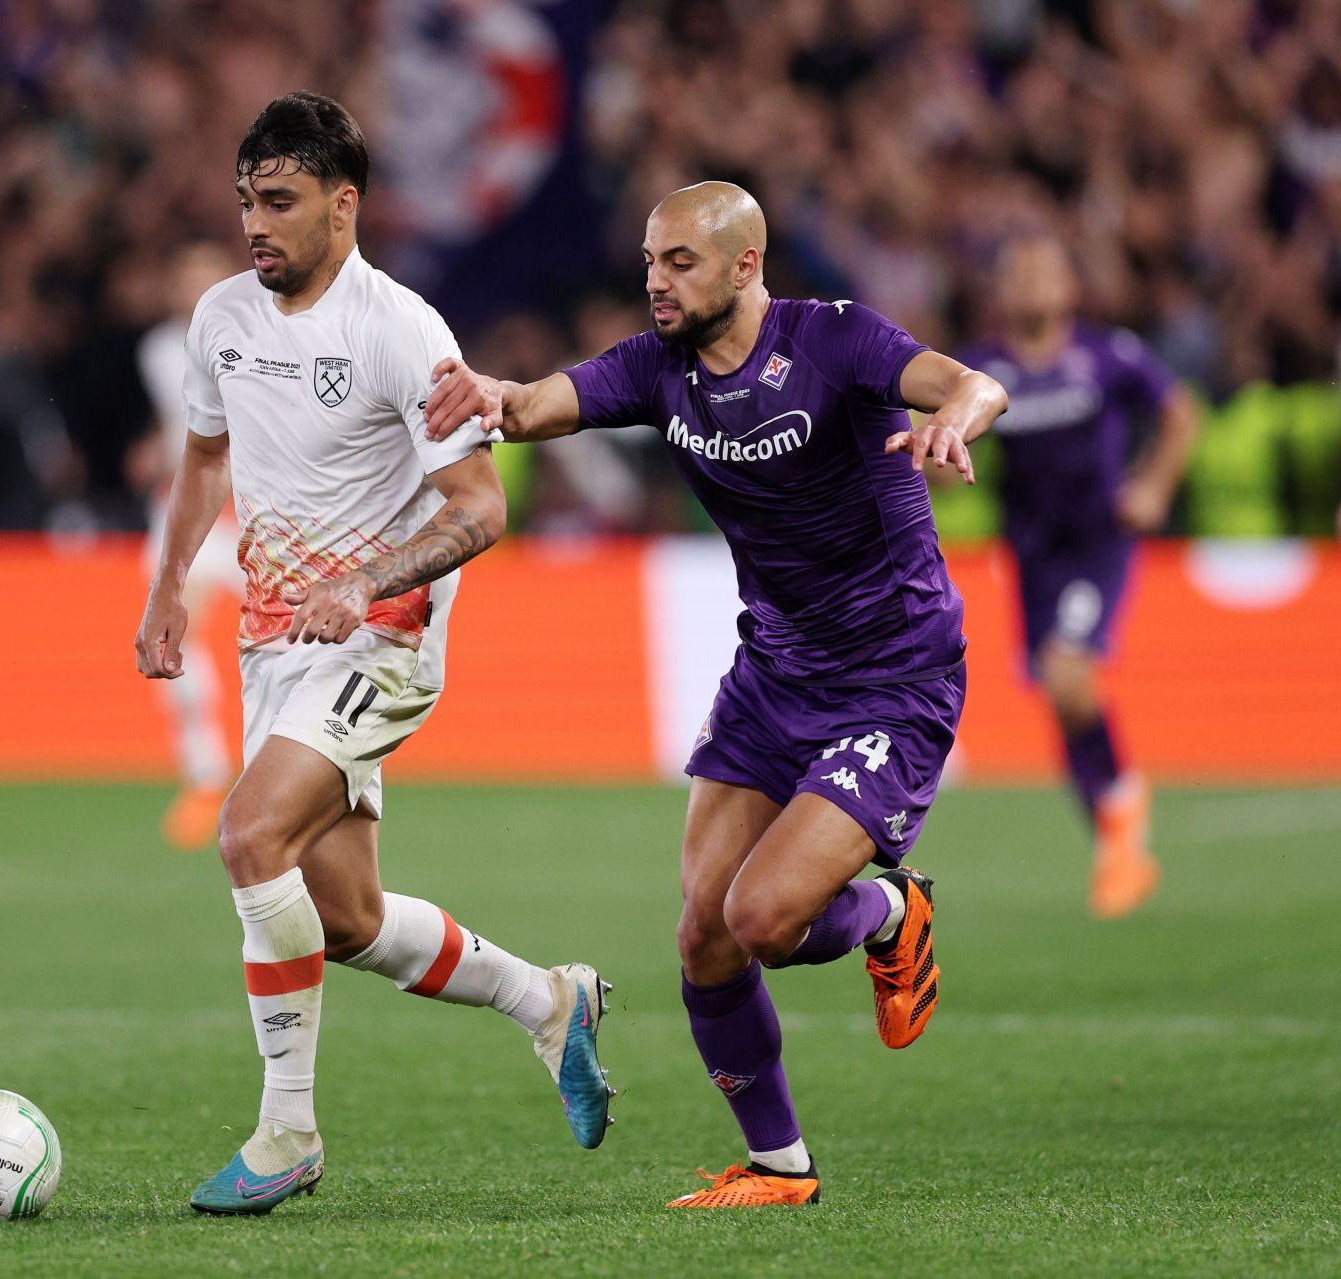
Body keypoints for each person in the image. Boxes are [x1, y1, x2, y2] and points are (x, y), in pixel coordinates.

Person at [426, 182, 1008, 1208]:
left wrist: (955, 418)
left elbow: (971, 381)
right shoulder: (659, 368)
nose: (655, 280)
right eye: (650, 261)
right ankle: (779, 1166)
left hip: (893, 678)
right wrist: (489, 396)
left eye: (680, 262)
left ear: (745, 266)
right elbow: (535, 404)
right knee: (703, 930)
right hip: (774, 674)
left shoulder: (833, 342)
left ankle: (886, 909)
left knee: (765, 917)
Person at [134, 92, 613, 1217]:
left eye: (282, 201)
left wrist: (366, 582)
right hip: (272, 643)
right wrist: (167, 591)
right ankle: (550, 1000)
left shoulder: (403, 331)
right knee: (344, 915)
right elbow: (205, 460)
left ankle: (286, 1129)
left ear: (343, 207)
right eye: (248, 198)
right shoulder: (221, 319)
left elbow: (480, 508)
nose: (258, 223)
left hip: (383, 640)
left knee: (249, 833)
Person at [961, 236, 1197, 919]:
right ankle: (1115, 836)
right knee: (1059, 695)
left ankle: (1122, 805)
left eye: (1046, 270)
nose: (1033, 283)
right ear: (1001, 293)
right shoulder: (984, 367)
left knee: (1068, 674)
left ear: (1071, 287)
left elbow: (1181, 414)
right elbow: (940, 434)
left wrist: (1153, 484)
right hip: (1031, 555)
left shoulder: (1107, 355)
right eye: (1019, 271)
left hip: (1097, 543)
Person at [135, 242, 247, 849]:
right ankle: (204, 775)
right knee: (180, 631)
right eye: (187, 278)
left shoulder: (256, 341)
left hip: (253, 511)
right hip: (189, 513)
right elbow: (184, 424)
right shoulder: (155, 349)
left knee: (288, 634)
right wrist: (153, 449)